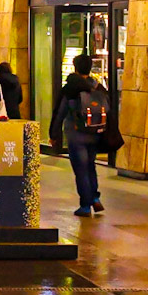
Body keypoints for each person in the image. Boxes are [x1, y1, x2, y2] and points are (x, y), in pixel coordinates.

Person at [50, 51, 112, 216]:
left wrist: (54, 134)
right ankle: (95, 197)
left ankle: (85, 204)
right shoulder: (98, 87)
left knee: (81, 169)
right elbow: (108, 109)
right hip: (95, 132)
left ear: (75, 68)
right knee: (91, 166)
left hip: (76, 135)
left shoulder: (70, 88)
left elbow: (60, 112)